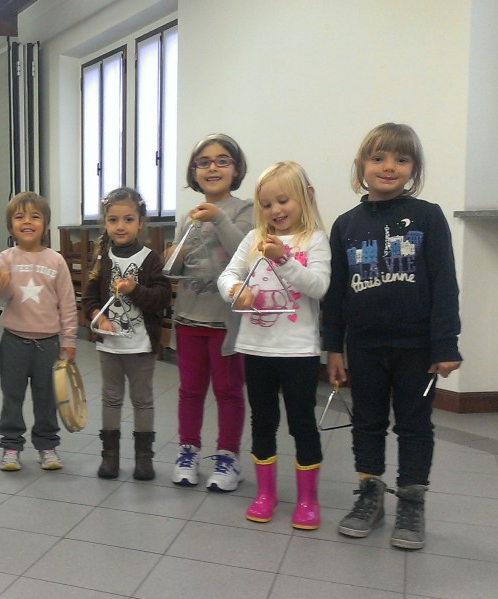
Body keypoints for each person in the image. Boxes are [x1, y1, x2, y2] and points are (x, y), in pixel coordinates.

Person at [324, 123, 462, 550]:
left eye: (401, 159)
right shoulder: (345, 225)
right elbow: (335, 294)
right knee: (367, 422)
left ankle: (411, 500)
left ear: (413, 168)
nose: (389, 167)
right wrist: (333, 347)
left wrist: (445, 343)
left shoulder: (428, 216)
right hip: (364, 346)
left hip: (416, 348)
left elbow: (444, 283)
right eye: (378, 158)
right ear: (361, 165)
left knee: (414, 425)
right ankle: (370, 493)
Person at [217, 161, 330, 529]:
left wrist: (283, 259)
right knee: (263, 422)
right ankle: (265, 494)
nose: (275, 210)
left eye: (283, 201)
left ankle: (308, 499)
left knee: (302, 423)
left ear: (305, 197)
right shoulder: (253, 239)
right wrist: (236, 290)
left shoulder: (314, 240)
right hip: (257, 349)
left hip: (298, 351)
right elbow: (228, 275)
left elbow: (319, 287)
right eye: (266, 204)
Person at [164, 133, 253, 492]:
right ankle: (188, 451)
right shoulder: (186, 218)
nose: (212, 168)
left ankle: (228, 457)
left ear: (236, 168)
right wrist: (175, 253)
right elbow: (174, 270)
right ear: (194, 172)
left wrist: (218, 218)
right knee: (190, 390)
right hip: (189, 318)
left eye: (222, 160)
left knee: (228, 391)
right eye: (203, 162)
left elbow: (245, 253)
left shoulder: (245, 210)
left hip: (225, 322)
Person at [81, 188, 172, 481]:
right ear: (105, 223)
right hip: (110, 347)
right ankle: (110, 457)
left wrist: (134, 290)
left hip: (141, 345)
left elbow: (161, 299)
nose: (120, 226)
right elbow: (89, 300)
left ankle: (144, 458)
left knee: (142, 400)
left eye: (128, 219)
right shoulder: (101, 258)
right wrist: (99, 316)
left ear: (140, 222)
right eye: (113, 220)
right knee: (111, 399)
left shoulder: (151, 259)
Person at [0, 192, 78, 472]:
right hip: (13, 342)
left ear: (46, 225)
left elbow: (68, 304)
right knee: (12, 397)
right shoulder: (6, 257)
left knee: (46, 398)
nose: (27, 222)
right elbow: (2, 295)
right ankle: (10, 446)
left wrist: (69, 341)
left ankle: (47, 445)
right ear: (10, 226)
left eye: (35, 216)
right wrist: (2, 283)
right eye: (19, 217)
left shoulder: (56, 261)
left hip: (48, 344)